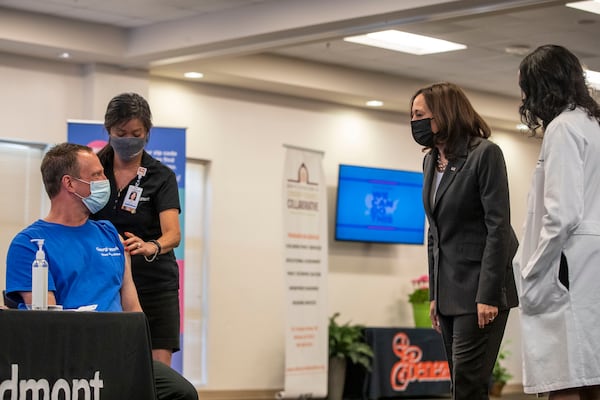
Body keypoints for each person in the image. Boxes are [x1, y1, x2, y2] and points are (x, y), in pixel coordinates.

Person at [5, 143, 197, 400]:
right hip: (70, 360)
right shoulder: (30, 244)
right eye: (96, 175)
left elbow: (132, 308)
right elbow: (47, 326)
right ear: (69, 184)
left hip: (119, 354)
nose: (105, 180)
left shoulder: (110, 235)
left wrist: (136, 355)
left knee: (181, 392)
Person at [409, 82, 519, 399]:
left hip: (480, 289)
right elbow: (436, 231)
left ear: (444, 114)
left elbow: (498, 226)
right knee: (460, 382)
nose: (413, 122)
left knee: (469, 383)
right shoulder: (430, 161)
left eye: (420, 114)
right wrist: (434, 294)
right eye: (412, 114)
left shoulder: (485, 154)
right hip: (449, 291)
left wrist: (488, 294)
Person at [513, 45, 600, 400]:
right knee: (591, 369)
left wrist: (534, 268)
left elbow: (562, 213)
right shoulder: (593, 124)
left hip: (566, 264)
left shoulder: (563, 128)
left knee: (561, 376)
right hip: (589, 264)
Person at [92, 92, 182, 367]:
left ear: (147, 133)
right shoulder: (94, 170)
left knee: (157, 371)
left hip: (154, 282)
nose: (128, 138)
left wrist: (150, 246)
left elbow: (173, 234)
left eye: (136, 132)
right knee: (108, 364)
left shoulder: (161, 176)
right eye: (121, 132)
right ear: (109, 130)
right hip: (106, 280)